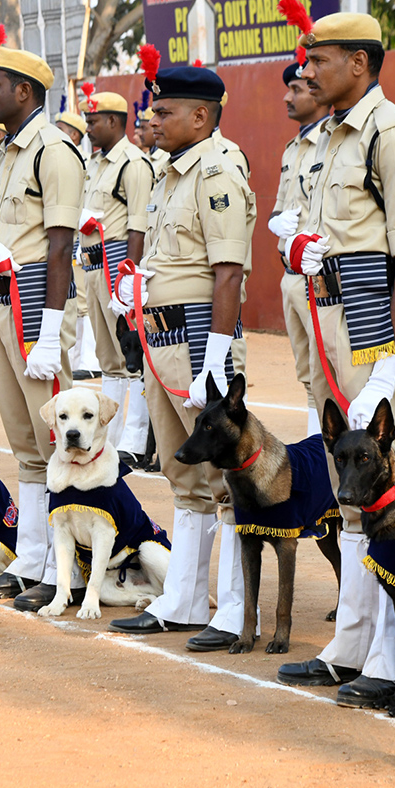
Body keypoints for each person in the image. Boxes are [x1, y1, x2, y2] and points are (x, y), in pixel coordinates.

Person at [274, 13, 395, 708]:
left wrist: (391, 365)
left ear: (361, 65)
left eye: (321, 60)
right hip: (321, 308)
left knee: (377, 484)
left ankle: (388, 650)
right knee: (347, 484)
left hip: (367, 313)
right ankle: (353, 636)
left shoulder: (392, 138)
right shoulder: (329, 138)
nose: (307, 71)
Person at [107, 63, 256, 651]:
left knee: (227, 479)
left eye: (164, 111)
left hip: (199, 336)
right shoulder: (170, 172)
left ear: (200, 115)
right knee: (182, 471)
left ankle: (236, 610)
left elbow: (226, 271)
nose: (153, 120)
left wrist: (215, 355)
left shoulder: (216, 168)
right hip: (162, 335)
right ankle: (187, 599)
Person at [0, 38, 84, 609]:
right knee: (25, 442)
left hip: (34, 303)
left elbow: (61, 246)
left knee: (58, 440)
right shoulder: (3, 155)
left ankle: (71, 567)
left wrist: (50, 329)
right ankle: (35, 557)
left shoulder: (54, 151)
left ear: (24, 91)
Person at [78, 89, 154, 467]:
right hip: (92, 268)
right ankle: (110, 434)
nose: (88, 128)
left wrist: (130, 279)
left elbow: (138, 225)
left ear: (112, 121)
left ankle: (136, 439)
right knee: (108, 358)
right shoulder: (96, 164)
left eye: (93, 121)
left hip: (116, 267)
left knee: (132, 356)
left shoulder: (132, 163)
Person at [266, 60, 327, 434]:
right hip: (290, 277)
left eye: (297, 89)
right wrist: (276, 223)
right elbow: (280, 208)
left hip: (317, 277)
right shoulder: (293, 148)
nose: (288, 97)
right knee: (308, 374)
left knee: (326, 373)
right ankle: (315, 448)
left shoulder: (331, 142)